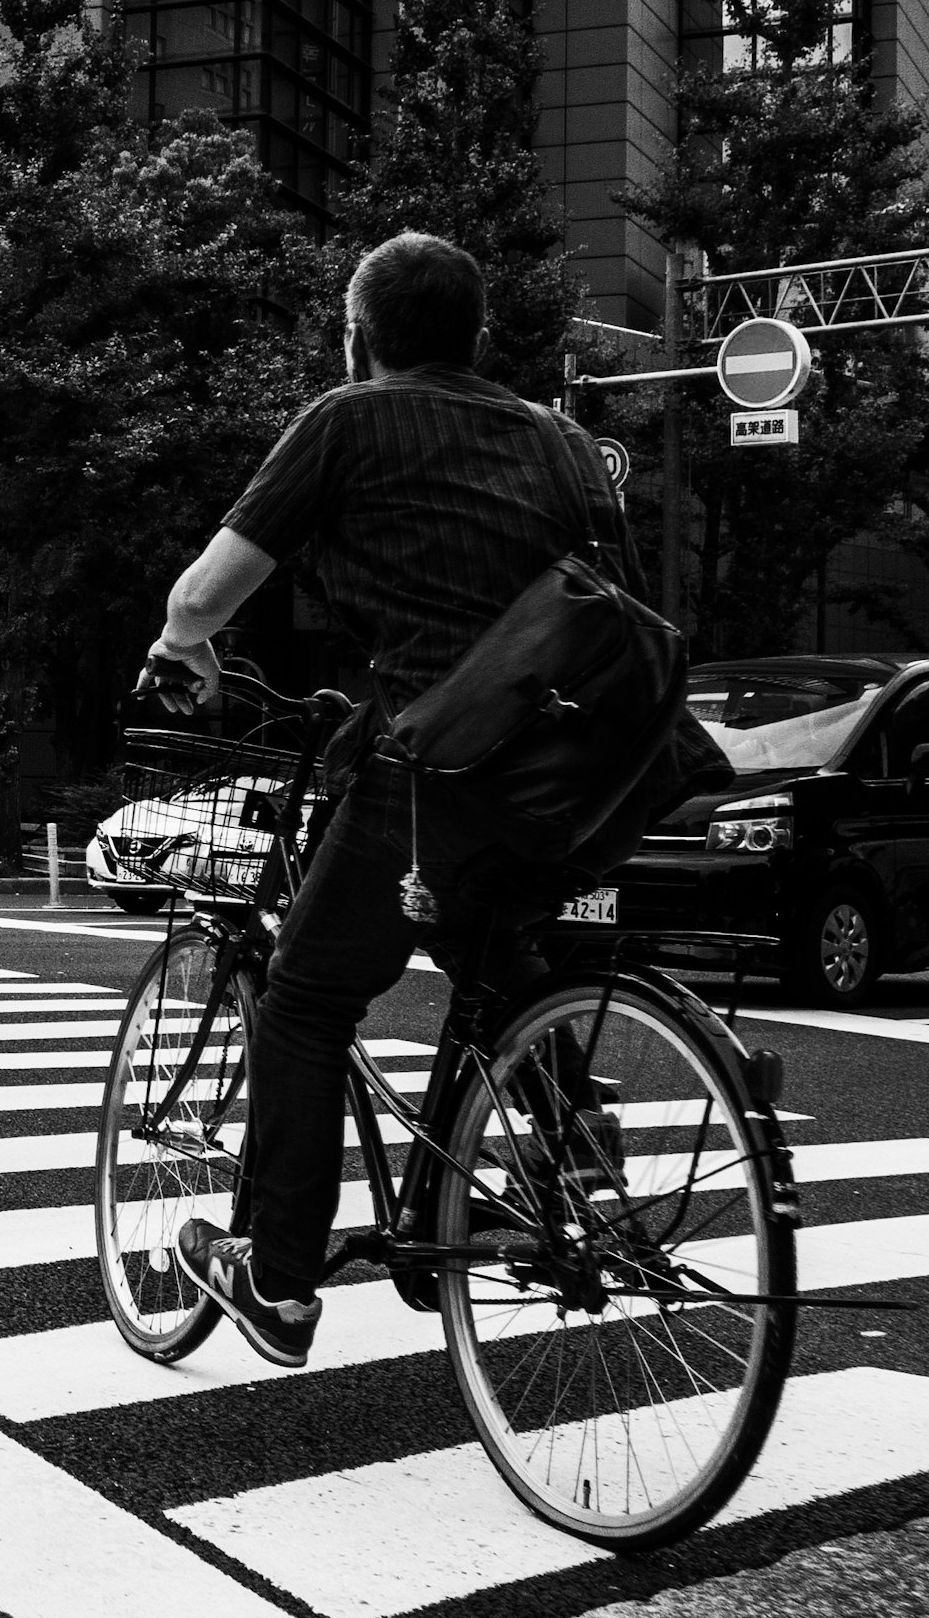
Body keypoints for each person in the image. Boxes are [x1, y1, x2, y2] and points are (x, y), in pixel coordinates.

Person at [142, 231, 640, 1370]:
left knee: (310, 999)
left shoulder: (347, 419)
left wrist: (181, 645)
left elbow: (207, 590)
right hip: (572, 771)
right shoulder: (558, 438)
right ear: (477, 336)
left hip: (435, 764)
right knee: (492, 956)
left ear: (359, 335)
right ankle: (570, 1142)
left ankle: (276, 1280)